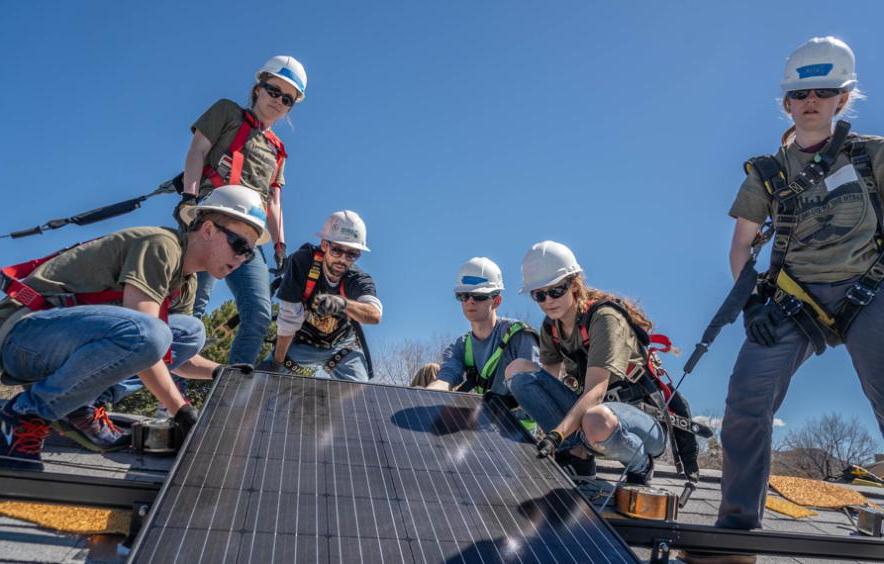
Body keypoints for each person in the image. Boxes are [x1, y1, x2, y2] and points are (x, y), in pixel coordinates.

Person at [684, 37, 884, 562]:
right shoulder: (767, 172)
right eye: (801, 93)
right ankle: (734, 535)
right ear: (788, 102)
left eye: (824, 91)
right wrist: (753, 304)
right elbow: (743, 244)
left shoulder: (873, 154)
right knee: (746, 399)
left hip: (870, 286)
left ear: (843, 97)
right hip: (793, 299)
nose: (811, 101)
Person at [0, 185, 267, 466]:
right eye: (239, 245)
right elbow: (146, 339)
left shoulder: (185, 282)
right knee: (150, 333)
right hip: (22, 337)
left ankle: (80, 405)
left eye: (249, 253)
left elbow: (168, 356)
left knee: (190, 333)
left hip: (60, 346)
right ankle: (23, 415)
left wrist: (221, 373)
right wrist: (182, 411)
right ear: (209, 229)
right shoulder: (160, 246)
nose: (242, 257)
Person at [506, 241, 699, 485]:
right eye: (539, 294)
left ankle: (641, 466)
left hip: (640, 425)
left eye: (556, 291)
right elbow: (547, 385)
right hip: (592, 419)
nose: (548, 300)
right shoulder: (550, 327)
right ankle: (579, 456)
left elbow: (596, 391)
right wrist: (506, 406)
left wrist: (556, 435)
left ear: (574, 284)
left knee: (595, 418)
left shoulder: (604, 319)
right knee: (519, 370)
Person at [177, 55, 307, 365]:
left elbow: (274, 201)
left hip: (249, 234)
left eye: (287, 99)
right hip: (212, 220)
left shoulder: (278, 150)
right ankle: (171, 397)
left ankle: (230, 399)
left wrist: (279, 246)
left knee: (259, 314)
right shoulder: (227, 112)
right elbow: (197, 151)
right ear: (258, 88)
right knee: (191, 306)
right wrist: (188, 198)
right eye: (274, 91)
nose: (279, 101)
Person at [268, 210, 381, 381]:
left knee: (359, 396)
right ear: (324, 245)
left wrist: (344, 305)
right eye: (337, 250)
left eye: (352, 254)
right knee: (265, 380)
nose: (343, 259)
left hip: (341, 346)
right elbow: (288, 319)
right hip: (301, 342)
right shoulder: (302, 263)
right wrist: (277, 363)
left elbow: (374, 314)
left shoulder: (358, 279)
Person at [420, 257, 539, 402]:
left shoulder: (519, 336)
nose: (470, 301)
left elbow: (537, 389)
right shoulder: (462, 345)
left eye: (479, 296)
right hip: (480, 417)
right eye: (463, 295)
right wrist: (428, 394)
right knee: (428, 372)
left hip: (514, 422)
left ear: (496, 301)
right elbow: (447, 376)